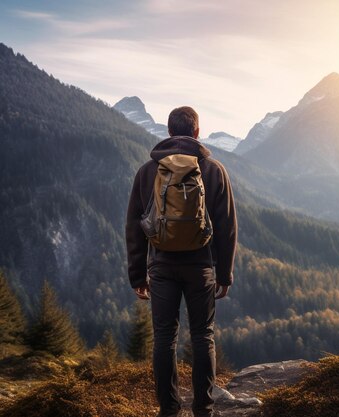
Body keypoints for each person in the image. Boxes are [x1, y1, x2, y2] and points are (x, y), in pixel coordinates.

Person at [125, 106, 237, 417]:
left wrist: (137, 275)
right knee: (203, 335)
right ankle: (204, 408)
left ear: (170, 131)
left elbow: (134, 225)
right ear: (197, 132)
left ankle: (169, 409)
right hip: (200, 266)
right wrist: (224, 274)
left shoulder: (149, 171)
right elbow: (227, 226)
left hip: (160, 266)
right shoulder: (213, 170)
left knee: (164, 337)